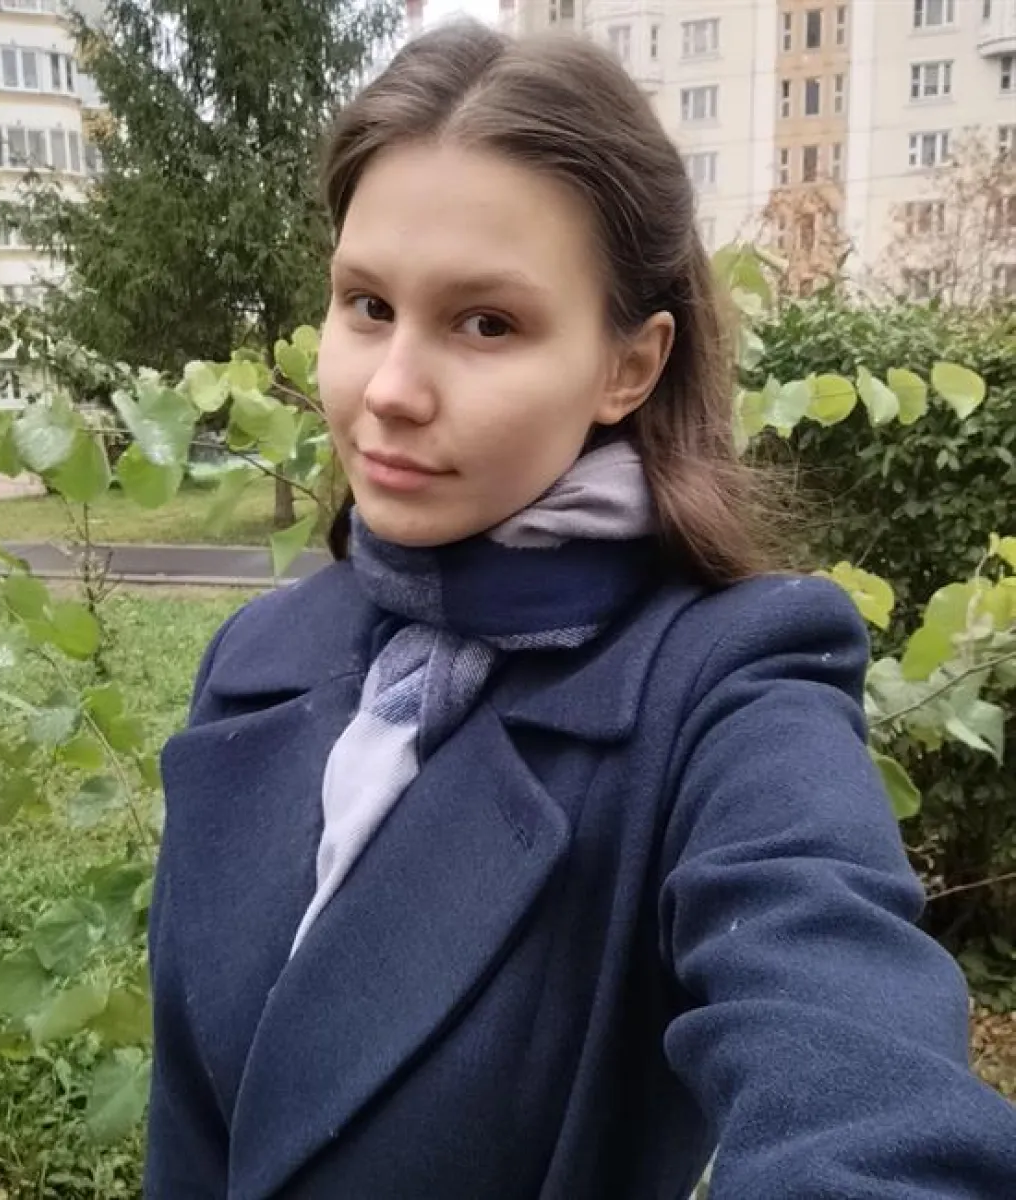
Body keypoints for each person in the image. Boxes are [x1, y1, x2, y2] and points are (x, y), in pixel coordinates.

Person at [145, 20, 1016, 1199]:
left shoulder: (729, 688)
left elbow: (859, 1070)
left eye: (487, 323)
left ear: (629, 366)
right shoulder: (261, 654)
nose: (391, 390)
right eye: (367, 304)